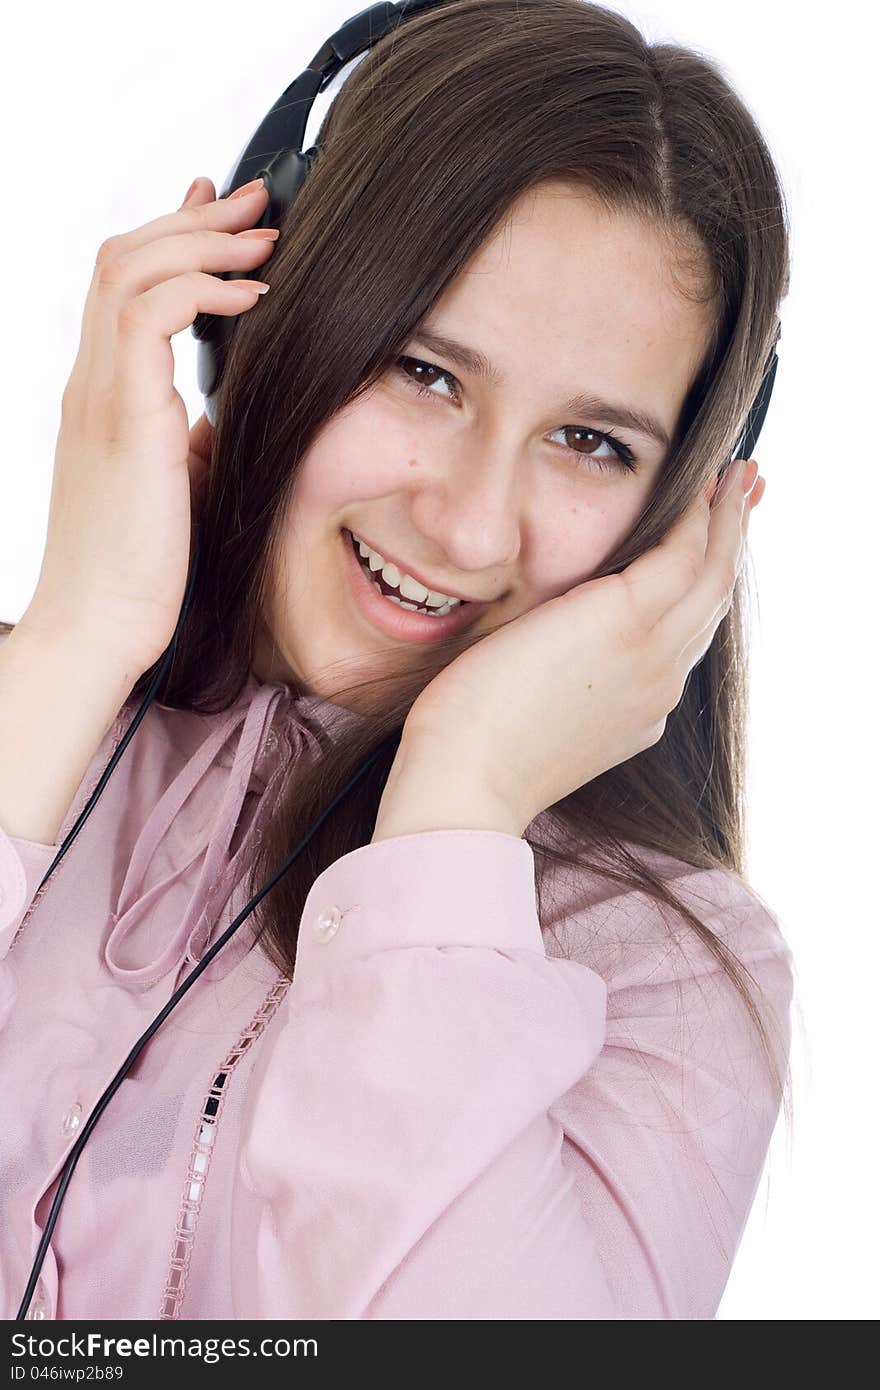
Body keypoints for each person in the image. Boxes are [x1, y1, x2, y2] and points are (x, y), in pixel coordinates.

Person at [0, 0, 793, 1320]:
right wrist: (70, 648)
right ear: (257, 309)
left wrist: (456, 810)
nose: (472, 522)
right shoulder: (32, 719)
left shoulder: (671, 975)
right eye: (426, 369)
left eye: (593, 442)